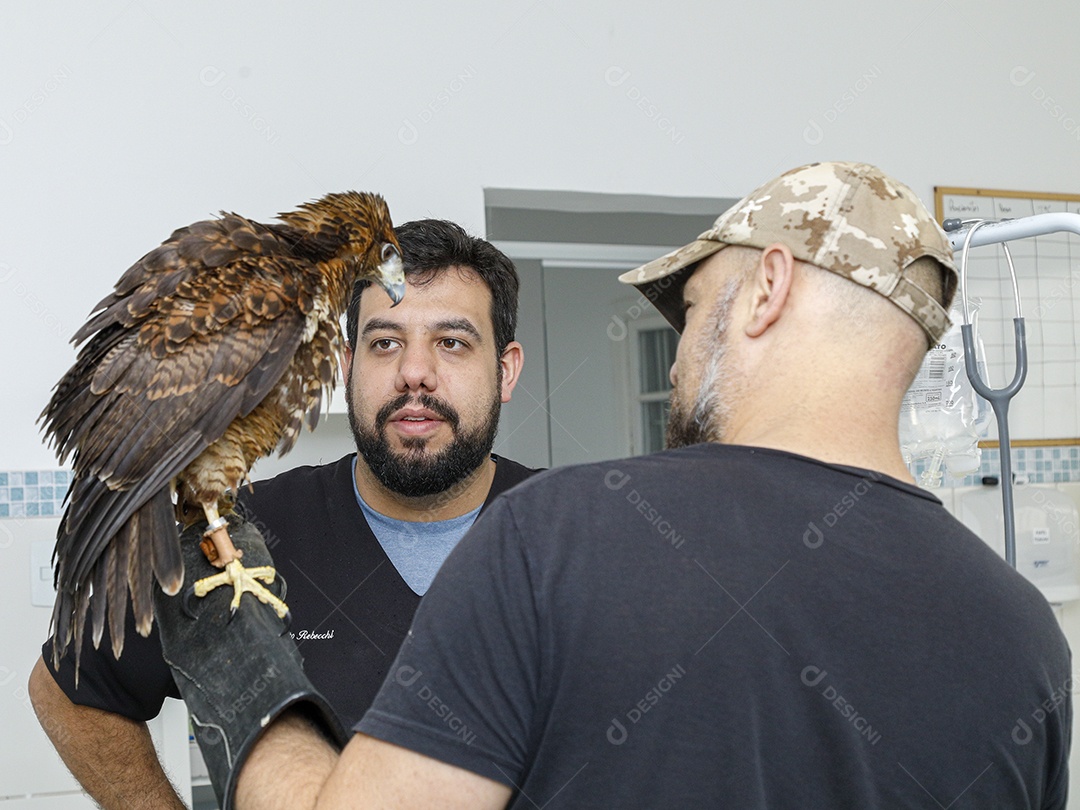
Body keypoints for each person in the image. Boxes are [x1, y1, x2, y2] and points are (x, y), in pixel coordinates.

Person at [158, 162, 1072, 809]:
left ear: (767, 290)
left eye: (694, 308)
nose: (675, 356)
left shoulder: (556, 533)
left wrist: (247, 682)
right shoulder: (1024, 635)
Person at [27, 218, 539, 809]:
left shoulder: (579, 534)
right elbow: (71, 691)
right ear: (345, 365)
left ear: (505, 370)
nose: (414, 372)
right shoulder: (230, 534)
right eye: (385, 343)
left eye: (451, 342)